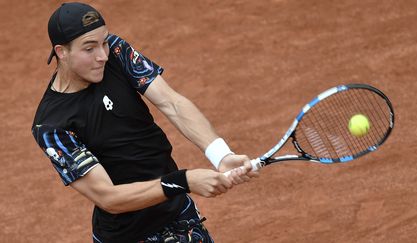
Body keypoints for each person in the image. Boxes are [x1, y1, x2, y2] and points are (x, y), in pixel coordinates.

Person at [31, 2, 257, 243]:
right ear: (61, 52)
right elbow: (109, 198)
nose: (102, 56)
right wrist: (184, 181)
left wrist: (220, 155)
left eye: (104, 42)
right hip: (129, 236)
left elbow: (172, 103)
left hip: (180, 216)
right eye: (89, 48)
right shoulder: (51, 126)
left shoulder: (116, 53)